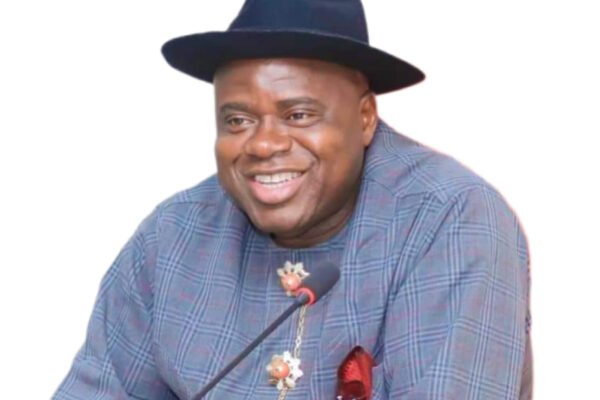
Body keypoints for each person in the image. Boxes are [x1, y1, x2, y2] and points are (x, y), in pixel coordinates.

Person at [54, 0, 532, 399]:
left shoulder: (449, 219)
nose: (263, 144)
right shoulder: (172, 237)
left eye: (299, 115)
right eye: (238, 121)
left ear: (365, 118)